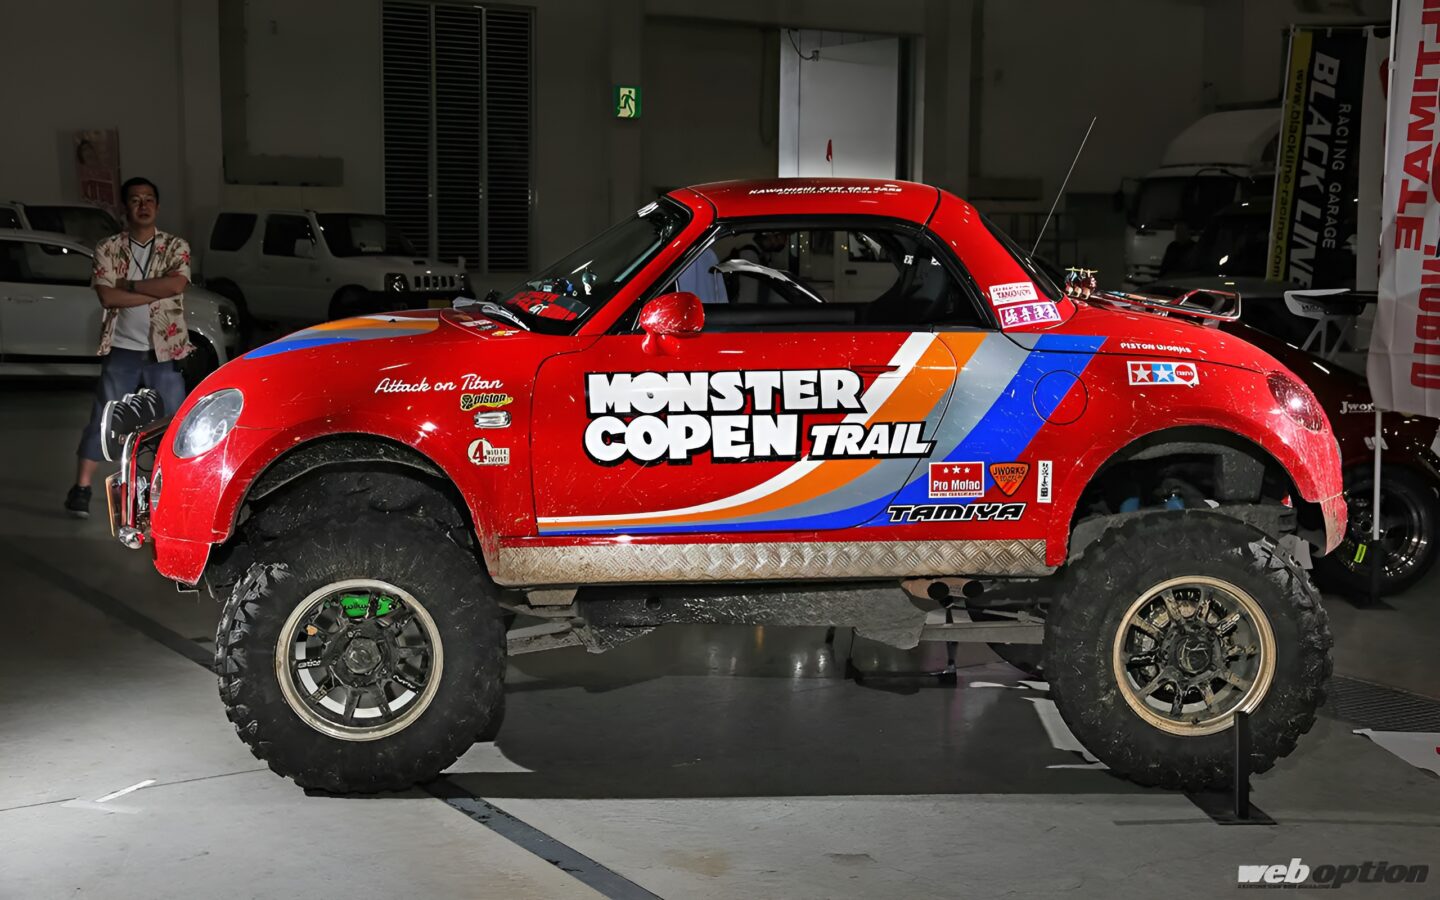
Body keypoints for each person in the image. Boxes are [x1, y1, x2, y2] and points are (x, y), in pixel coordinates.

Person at [64, 177, 193, 518]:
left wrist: (130, 286)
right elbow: (108, 296)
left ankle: (172, 490)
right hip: (122, 349)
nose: (143, 205)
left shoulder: (175, 246)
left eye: (149, 199)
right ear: (125, 208)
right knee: (103, 419)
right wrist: (155, 291)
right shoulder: (107, 248)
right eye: (135, 200)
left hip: (164, 352)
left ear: (158, 207)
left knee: (172, 423)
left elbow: (176, 285)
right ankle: (81, 488)